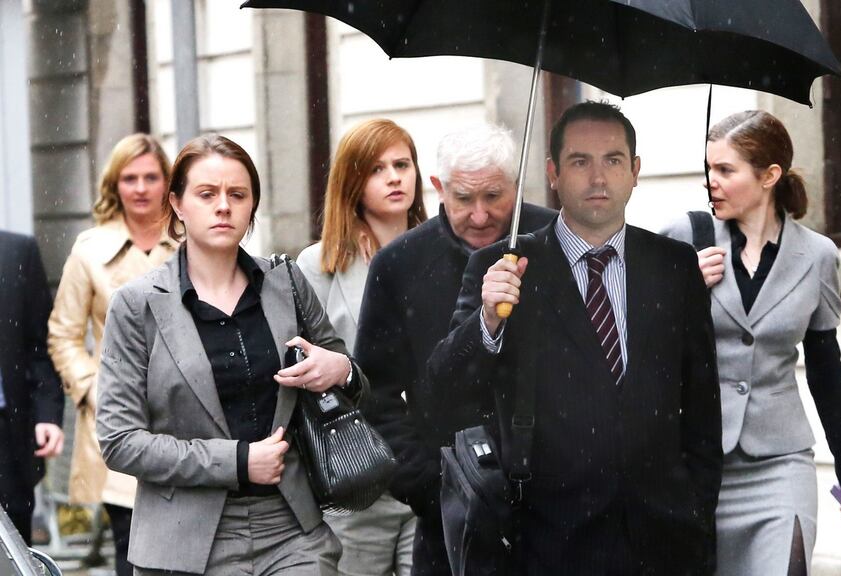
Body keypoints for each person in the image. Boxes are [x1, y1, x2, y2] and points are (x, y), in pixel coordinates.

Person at [428, 101, 722, 574]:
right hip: (547, 540)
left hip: (664, 539)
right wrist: (487, 320)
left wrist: (696, 511)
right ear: (553, 173)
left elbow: (703, 410)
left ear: (636, 170)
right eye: (580, 161)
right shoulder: (505, 266)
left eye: (613, 160)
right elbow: (442, 389)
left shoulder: (674, 267)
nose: (598, 178)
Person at [96, 134, 359, 575]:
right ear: (177, 203)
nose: (224, 206)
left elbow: (354, 388)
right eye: (207, 194)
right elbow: (120, 441)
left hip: (291, 528)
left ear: (252, 205)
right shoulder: (138, 304)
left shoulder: (287, 283)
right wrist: (237, 462)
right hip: (186, 539)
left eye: (238, 195)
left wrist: (343, 370)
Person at [661, 109, 841, 575]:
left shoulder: (817, 256)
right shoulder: (685, 238)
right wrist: (683, 294)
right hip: (695, 466)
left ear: (769, 176)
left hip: (780, 464)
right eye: (708, 169)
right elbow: (641, 343)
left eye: (724, 170)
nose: (710, 182)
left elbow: (826, 372)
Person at [355, 124, 556, 576]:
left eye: (495, 197)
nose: (481, 216)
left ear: (518, 187)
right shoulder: (399, 264)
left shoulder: (557, 240)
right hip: (450, 513)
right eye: (464, 199)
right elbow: (375, 396)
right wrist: (431, 485)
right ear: (439, 188)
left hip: (558, 507)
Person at [297, 119, 427, 576]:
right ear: (352, 182)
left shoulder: (443, 252)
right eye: (376, 169)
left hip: (431, 465)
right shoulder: (318, 265)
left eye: (402, 164)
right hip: (358, 468)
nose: (394, 177)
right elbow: (305, 369)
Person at [48, 133, 178, 575]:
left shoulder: (190, 243)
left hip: (189, 420)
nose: (140, 188)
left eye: (150, 177)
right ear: (115, 185)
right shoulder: (89, 250)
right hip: (119, 420)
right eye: (129, 178)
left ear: (167, 183)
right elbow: (63, 335)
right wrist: (94, 391)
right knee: (132, 549)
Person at [0, 231, 64, 544]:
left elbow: (41, 348)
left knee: (15, 548)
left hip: (9, 435)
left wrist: (48, 414)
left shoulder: (16, 252)